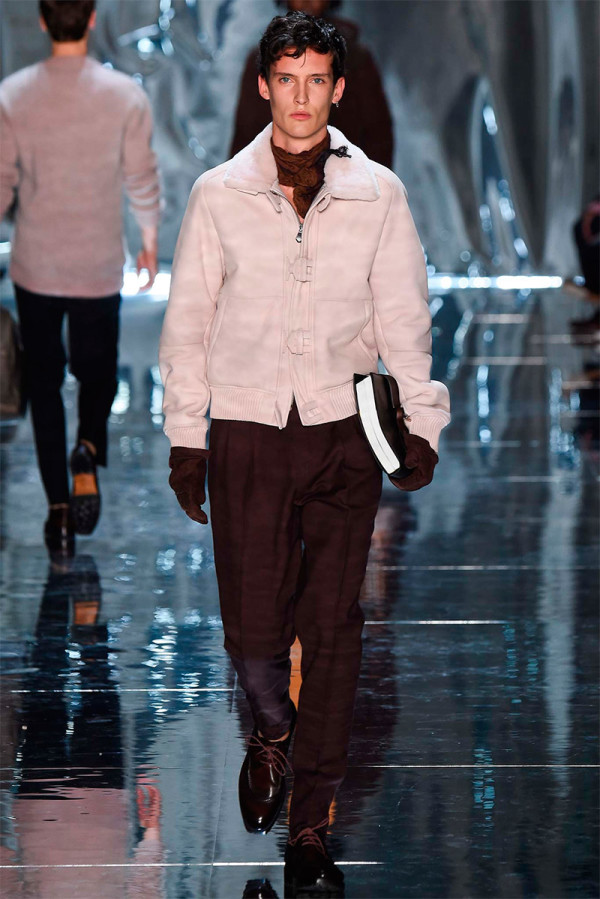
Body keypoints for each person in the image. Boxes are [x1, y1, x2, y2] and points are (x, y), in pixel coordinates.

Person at [160, 11, 449, 896]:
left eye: (316, 80)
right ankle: (273, 732)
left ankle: (312, 819)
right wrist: (186, 437)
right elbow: (188, 323)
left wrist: (422, 423)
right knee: (252, 634)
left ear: (338, 88)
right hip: (248, 431)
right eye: (286, 80)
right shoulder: (218, 194)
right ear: (263, 86)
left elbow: (405, 318)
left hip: (343, 428)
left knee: (331, 629)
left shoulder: (379, 194)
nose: (300, 97)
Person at [0, 0, 161, 559]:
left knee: (44, 385)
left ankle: (58, 512)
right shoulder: (124, 96)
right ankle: (88, 448)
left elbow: (1, 182)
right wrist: (148, 239)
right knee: (98, 374)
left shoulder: (13, 95)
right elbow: (141, 176)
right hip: (97, 262)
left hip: (37, 263)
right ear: (92, 19)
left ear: (43, 21)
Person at [230, 0, 394, 168]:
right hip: (274, 175)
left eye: (317, 80)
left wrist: (370, 180)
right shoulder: (264, 59)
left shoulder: (356, 59)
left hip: (345, 174)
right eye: (286, 79)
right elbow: (246, 135)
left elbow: (378, 134)